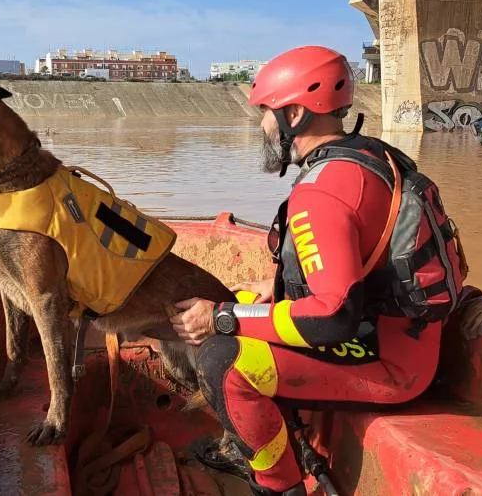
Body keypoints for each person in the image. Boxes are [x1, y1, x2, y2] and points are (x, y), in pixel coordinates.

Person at [169, 46, 466, 495]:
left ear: (293, 115)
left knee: (223, 360)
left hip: (390, 364)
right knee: (245, 303)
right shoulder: (366, 158)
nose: (262, 126)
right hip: (399, 334)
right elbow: (368, 257)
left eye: (266, 114)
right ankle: (278, 440)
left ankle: (278, 484)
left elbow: (331, 318)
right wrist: (272, 287)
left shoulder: (321, 192)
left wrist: (221, 317)